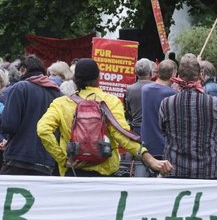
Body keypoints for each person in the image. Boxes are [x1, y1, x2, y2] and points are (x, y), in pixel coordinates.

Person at [37, 58, 170, 177]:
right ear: (98, 79)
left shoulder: (61, 103)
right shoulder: (110, 101)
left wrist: (63, 159)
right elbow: (122, 136)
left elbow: (43, 130)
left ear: (75, 80)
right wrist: (150, 159)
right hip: (105, 174)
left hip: (73, 172)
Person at [159, 55, 217, 179]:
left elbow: (162, 129)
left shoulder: (166, 103)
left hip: (175, 169)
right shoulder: (215, 103)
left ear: (179, 76)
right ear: (200, 75)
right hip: (207, 170)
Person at [0, 56, 61, 175]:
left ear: (24, 70)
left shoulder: (20, 88)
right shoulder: (57, 93)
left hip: (18, 159)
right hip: (46, 161)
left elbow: (8, 125)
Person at [124, 58, 156, 137]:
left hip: (136, 129)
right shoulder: (157, 87)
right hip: (153, 128)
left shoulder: (129, 89)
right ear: (150, 72)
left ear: (136, 73)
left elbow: (128, 110)